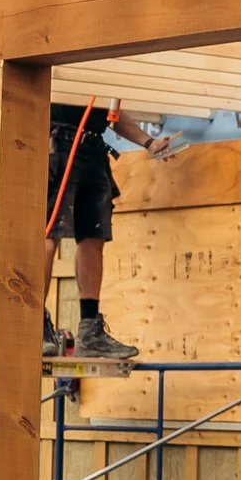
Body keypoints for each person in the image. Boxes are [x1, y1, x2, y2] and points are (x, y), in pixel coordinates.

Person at [47, 100, 176, 364]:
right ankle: (34, 324)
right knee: (50, 233)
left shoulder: (100, 76)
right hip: (57, 144)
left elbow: (112, 114)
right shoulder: (61, 69)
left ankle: (89, 331)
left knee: (94, 238)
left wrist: (150, 143)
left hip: (92, 149)